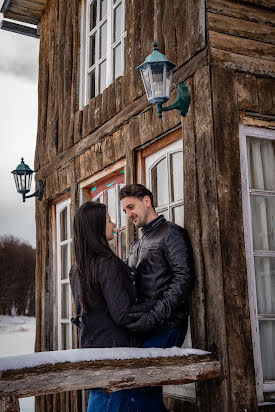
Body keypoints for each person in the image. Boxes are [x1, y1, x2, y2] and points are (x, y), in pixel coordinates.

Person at [69, 201, 168, 412]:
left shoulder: (77, 268)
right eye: (108, 220)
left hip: (94, 356)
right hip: (116, 360)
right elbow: (122, 314)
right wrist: (157, 305)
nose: (114, 224)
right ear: (96, 226)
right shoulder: (107, 263)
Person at [119, 183, 195, 349]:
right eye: (125, 211)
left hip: (168, 326)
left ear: (146, 201)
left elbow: (183, 280)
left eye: (131, 207)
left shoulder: (171, 234)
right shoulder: (136, 245)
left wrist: (153, 317)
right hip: (143, 327)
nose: (128, 214)